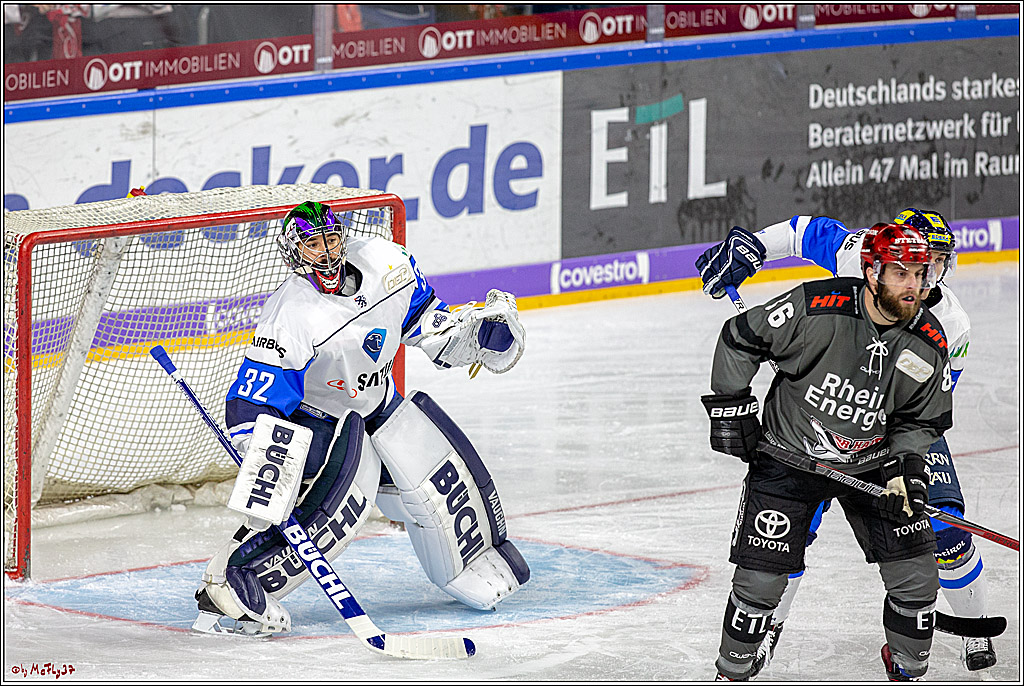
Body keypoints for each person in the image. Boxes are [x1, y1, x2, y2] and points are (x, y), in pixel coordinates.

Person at [192, 201, 530, 637]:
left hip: (379, 404)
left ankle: (475, 557)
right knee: (337, 514)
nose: (327, 251)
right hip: (321, 426)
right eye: (313, 244)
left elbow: (427, 323)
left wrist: (479, 336)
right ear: (294, 252)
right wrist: (262, 455)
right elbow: (252, 396)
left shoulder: (388, 263)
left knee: (442, 478)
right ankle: (234, 583)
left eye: (331, 238)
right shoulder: (291, 314)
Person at [696, 208, 995, 673]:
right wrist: (753, 247)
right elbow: (804, 232)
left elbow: (921, 411)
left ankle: (974, 629)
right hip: (818, 420)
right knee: (789, 531)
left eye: (934, 263)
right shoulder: (859, 258)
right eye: (912, 264)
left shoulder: (949, 324)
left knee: (944, 527)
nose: (922, 278)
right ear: (878, 262)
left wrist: (901, 464)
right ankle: (767, 626)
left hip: (890, 423)